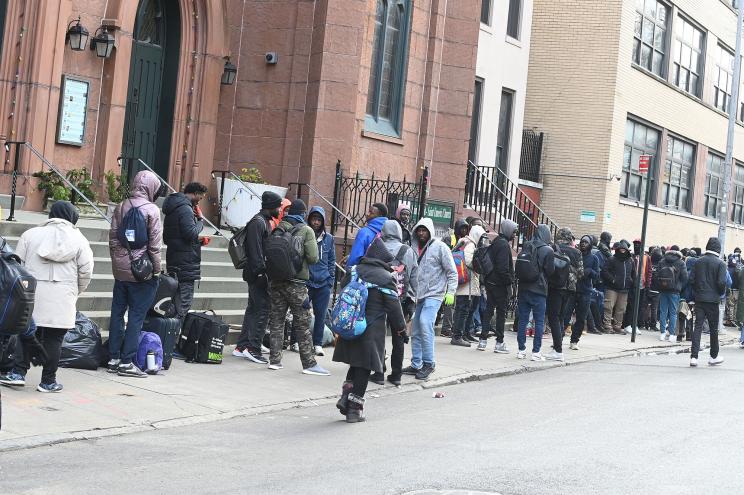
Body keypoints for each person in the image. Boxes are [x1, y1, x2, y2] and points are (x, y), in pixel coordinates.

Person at [0, 202, 93, 392]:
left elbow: (17, 267)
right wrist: (76, 290)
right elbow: (86, 272)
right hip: (63, 295)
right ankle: (48, 381)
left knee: (26, 333)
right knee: (55, 339)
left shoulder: (30, 235)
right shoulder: (80, 239)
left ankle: (18, 373)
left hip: (32, 295)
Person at [333, 238, 406, 422]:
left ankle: (345, 396)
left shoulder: (355, 270)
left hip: (350, 324)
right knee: (364, 368)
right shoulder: (385, 278)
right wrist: (401, 329)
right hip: (371, 329)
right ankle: (354, 410)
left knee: (354, 364)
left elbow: (343, 286)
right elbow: (394, 308)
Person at [107, 171, 163, 378]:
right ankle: (127, 362)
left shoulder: (121, 206)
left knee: (117, 314)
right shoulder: (152, 210)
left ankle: (113, 358)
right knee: (136, 318)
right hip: (142, 273)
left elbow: (113, 238)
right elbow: (155, 246)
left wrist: (118, 264)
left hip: (120, 271)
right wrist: (156, 270)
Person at [266, 199, 329, 375]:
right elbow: (313, 258)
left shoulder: (278, 228)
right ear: (303, 214)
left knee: (277, 321)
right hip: (297, 284)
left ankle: (275, 360)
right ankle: (309, 364)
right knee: (302, 323)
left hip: (276, 281)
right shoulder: (306, 230)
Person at [402, 218, 457, 380]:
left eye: (424, 230)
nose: (421, 233)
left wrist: (451, 292)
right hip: (418, 296)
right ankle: (416, 363)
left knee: (426, 323)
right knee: (416, 329)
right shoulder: (412, 248)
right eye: (419, 230)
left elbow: (452, 272)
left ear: (430, 231)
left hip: (435, 294)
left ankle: (429, 363)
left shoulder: (441, 248)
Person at [233, 191, 283, 364]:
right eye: (278, 206)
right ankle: (252, 348)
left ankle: (242, 346)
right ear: (271, 207)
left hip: (257, 273)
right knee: (261, 310)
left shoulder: (262, 221)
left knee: (254, 308)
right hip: (257, 274)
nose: (279, 209)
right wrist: (261, 272)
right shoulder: (258, 222)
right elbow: (255, 251)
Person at [373, 219, 418, 385]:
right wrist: (412, 300)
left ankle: (378, 373)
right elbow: (414, 278)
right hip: (401, 301)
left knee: (379, 336)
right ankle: (396, 375)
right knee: (399, 338)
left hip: (379, 299)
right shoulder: (408, 251)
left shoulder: (377, 247)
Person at [162, 182, 209, 321]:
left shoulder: (174, 206)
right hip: (185, 266)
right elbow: (190, 233)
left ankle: (168, 338)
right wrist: (200, 220)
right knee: (182, 306)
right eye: (200, 198)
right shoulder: (185, 208)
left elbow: (171, 237)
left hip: (175, 260)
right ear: (194, 194)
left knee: (174, 304)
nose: (199, 201)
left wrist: (197, 241)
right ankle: (173, 339)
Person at [516, 224, 555, 361]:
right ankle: (536, 352)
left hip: (523, 288)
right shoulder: (548, 250)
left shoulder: (526, 245)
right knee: (538, 321)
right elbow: (550, 271)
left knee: (523, 320)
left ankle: (521, 350)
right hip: (539, 290)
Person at [478, 220, 518, 353]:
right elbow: (502, 269)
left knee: (489, 311)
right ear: (508, 230)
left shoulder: (496, 241)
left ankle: (482, 341)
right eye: (514, 232)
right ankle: (499, 342)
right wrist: (509, 282)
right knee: (501, 313)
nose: (514, 235)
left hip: (491, 282)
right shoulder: (503, 245)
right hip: (500, 285)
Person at [545, 227, 583, 361]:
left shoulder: (553, 248)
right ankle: (558, 346)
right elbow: (581, 273)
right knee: (561, 317)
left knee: (553, 317)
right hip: (570, 289)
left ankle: (558, 350)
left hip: (555, 287)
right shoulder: (577, 252)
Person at [690, 237, 727, 367]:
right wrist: (720, 293)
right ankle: (713, 356)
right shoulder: (721, 264)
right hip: (713, 300)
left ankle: (694, 357)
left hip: (699, 298)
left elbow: (691, 279)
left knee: (698, 326)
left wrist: (697, 292)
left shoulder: (698, 262)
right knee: (713, 329)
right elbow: (722, 282)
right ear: (718, 249)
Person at [306, 206, 336, 357]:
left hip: (323, 282)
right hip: (307, 280)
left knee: (321, 314)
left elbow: (332, 260)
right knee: (301, 312)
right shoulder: (305, 233)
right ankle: (296, 341)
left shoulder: (329, 238)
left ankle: (317, 343)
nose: (316, 222)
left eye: (319, 220)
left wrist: (330, 279)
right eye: (314, 219)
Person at [451, 224, 486, 347]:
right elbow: (468, 261)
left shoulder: (463, 242)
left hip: (464, 282)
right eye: (481, 237)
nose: (482, 240)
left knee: (465, 310)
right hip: (467, 283)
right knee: (463, 310)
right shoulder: (470, 244)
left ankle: (464, 333)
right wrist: (479, 265)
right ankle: (458, 336)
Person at [439, 219, 470, 337]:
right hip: (448, 273)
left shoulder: (465, 241)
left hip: (458, 274)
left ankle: (448, 326)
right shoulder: (450, 238)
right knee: (449, 302)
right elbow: (445, 254)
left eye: (466, 229)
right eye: (462, 228)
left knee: (452, 302)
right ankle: (446, 328)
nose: (464, 231)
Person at [569, 235, 599, 350]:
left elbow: (597, 275)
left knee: (581, 318)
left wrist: (589, 271)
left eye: (586, 242)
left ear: (590, 244)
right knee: (565, 315)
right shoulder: (575, 254)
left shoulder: (594, 258)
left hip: (585, 291)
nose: (583, 244)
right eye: (582, 242)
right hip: (572, 289)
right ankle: (559, 339)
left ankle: (574, 340)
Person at [601, 240, 635, 334]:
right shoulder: (612, 259)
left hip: (624, 289)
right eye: (621, 249)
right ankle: (607, 325)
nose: (623, 250)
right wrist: (613, 280)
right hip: (612, 288)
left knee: (621, 309)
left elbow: (633, 273)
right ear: (618, 249)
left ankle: (617, 326)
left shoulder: (630, 261)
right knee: (608, 307)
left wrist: (631, 281)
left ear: (627, 250)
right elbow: (604, 271)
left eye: (624, 249)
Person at [657, 245, 687, 342]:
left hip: (663, 289)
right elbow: (685, 277)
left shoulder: (662, 261)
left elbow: (657, 275)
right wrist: (680, 286)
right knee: (673, 313)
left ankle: (662, 333)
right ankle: (672, 334)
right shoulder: (681, 262)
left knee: (663, 311)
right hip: (675, 291)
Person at [346, 203, 388, 268]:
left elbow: (355, 256)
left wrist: (348, 270)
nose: (367, 214)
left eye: (371, 212)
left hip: (364, 273)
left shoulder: (364, 232)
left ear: (380, 215)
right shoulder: (389, 232)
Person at [725, 247, 742, 325]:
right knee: (735, 304)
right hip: (737, 288)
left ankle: (730, 320)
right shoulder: (740, 266)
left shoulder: (729, 268)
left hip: (731, 287)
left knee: (731, 304)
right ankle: (734, 319)